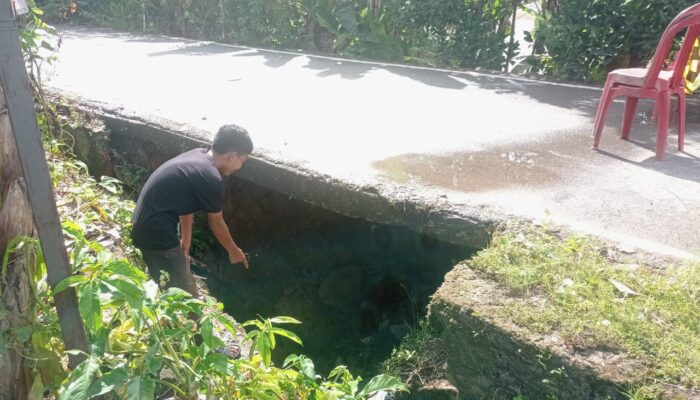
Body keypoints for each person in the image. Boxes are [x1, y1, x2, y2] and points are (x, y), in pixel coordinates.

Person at [131, 124, 252, 297]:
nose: (240, 167)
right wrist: (234, 252)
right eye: (243, 161)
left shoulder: (199, 156)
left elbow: (185, 203)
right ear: (232, 156)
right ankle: (191, 322)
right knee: (186, 291)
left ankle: (167, 309)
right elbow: (217, 223)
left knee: (167, 280)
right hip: (156, 233)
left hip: (145, 225)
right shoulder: (211, 178)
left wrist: (185, 239)